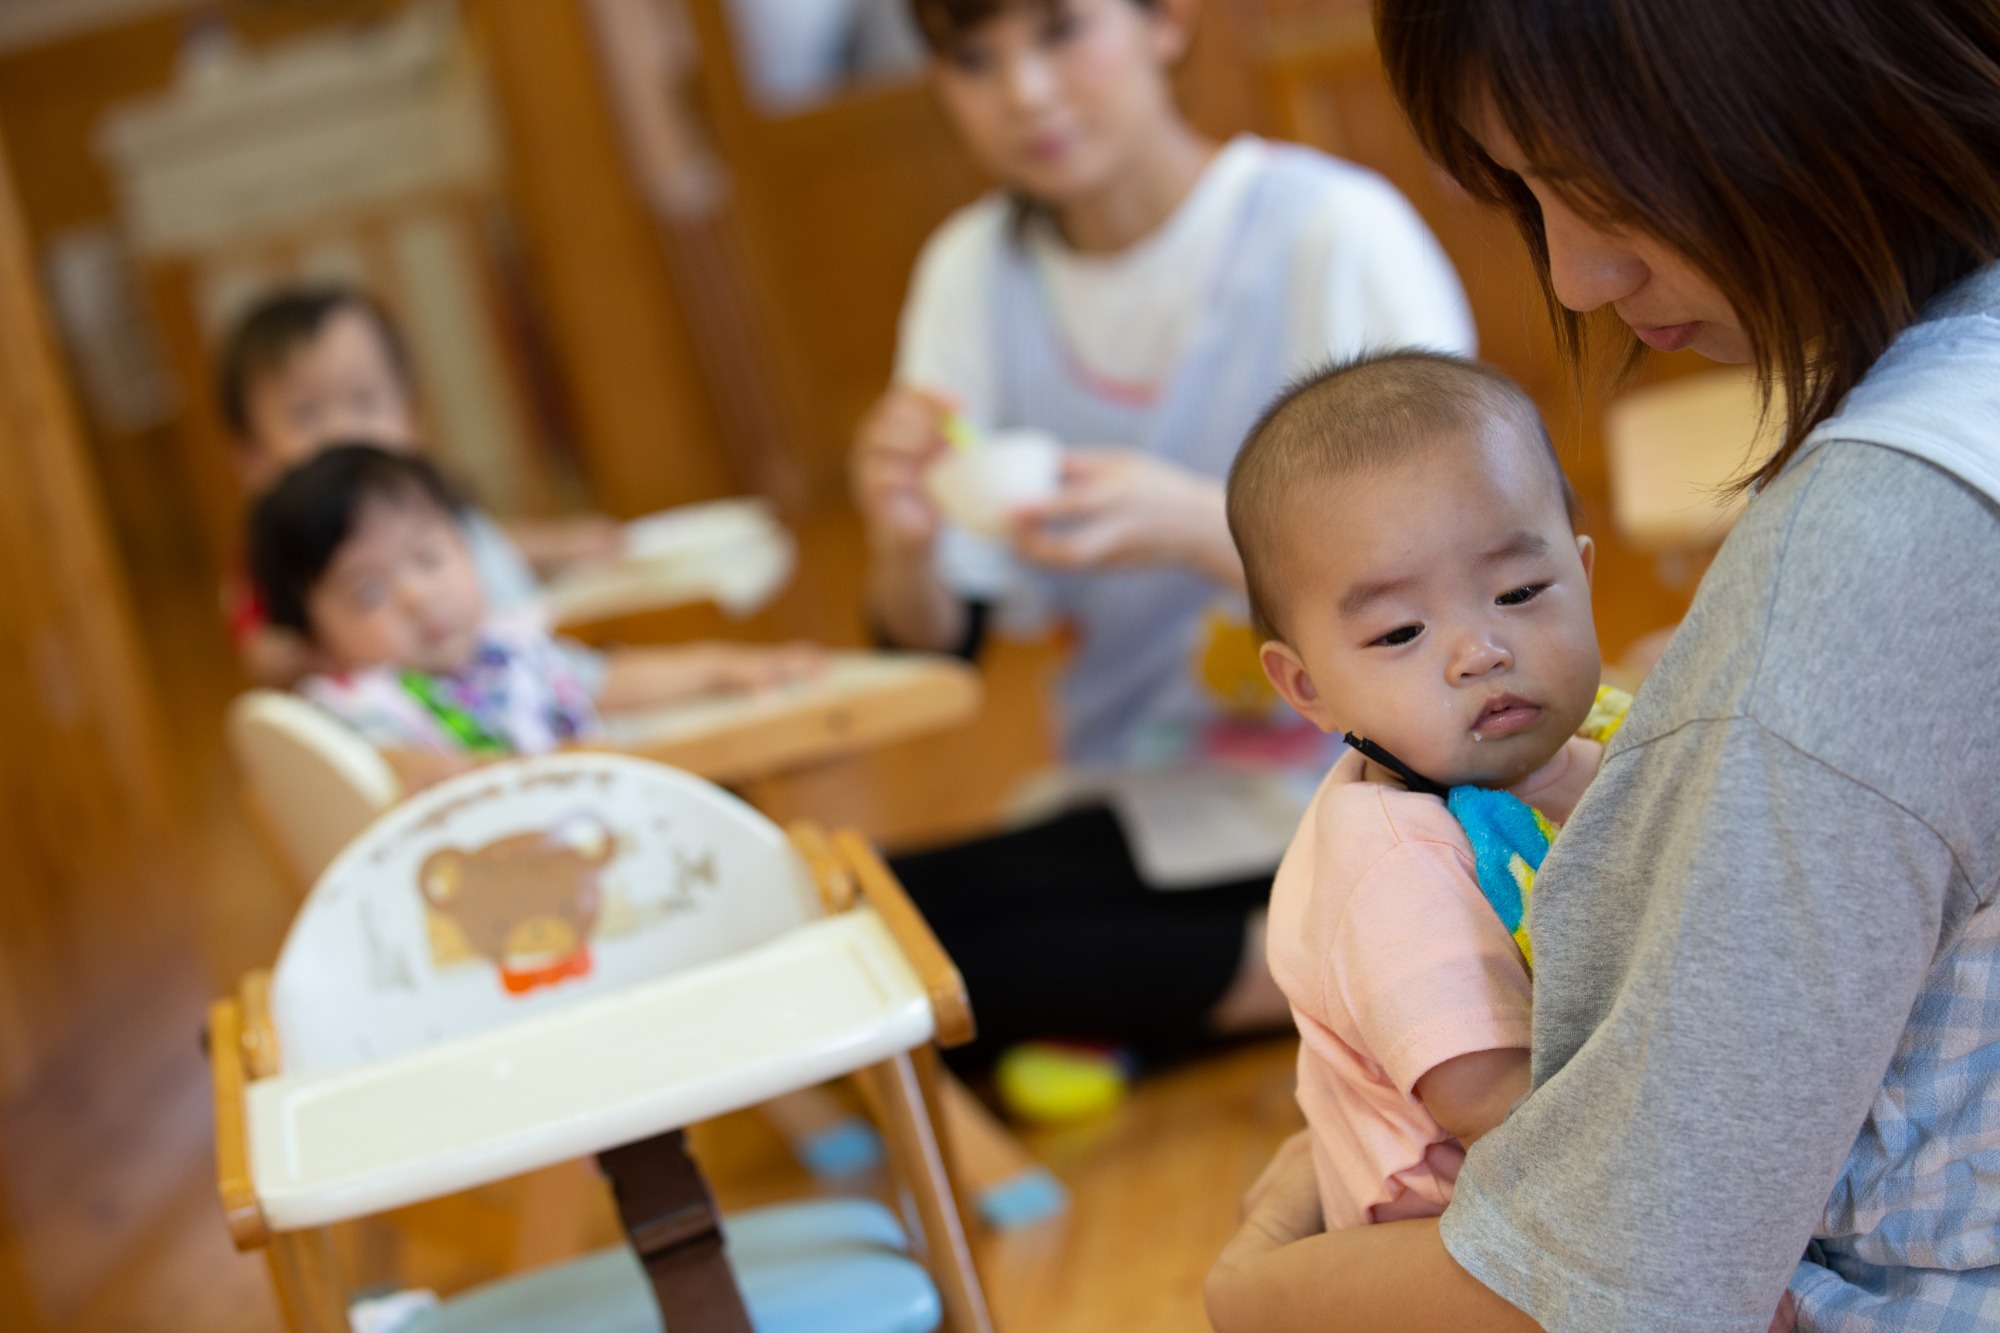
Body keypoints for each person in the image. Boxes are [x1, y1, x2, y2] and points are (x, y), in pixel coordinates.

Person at [1205, 1, 2000, 1329]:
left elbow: (1637, 1270)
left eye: (1592, 182)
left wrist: (1258, 1292)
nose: (1573, 276)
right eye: (1526, 197)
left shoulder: (1871, 541)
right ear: (1301, 682)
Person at [856, 0, 1475, 1065]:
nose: (1025, 93)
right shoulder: (973, 271)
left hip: (1371, 776)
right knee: (871, 940)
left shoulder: (1328, 230)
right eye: (973, 58)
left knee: (907, 966)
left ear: (1166, 20)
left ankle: (1226, 984)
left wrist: (1203, 527)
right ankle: (1298, 972)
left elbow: (1449, 572)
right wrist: (903, 534)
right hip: (1141, 789)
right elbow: (929, 647)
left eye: (1059, 32)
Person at [1229, 350, 1607, 1233]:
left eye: (1519, 590)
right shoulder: (1393, 864)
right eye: (1400, 630)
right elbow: (1491, 1100)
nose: (1479, 649)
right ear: (1305, 687)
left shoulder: (1607, 737)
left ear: (1584, 574)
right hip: (1462, 1231)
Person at [247, 445, 818, 788]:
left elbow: (608, 681)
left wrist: (720, 667)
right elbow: (370, 767)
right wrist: (431, 772)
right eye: (369, 593)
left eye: (429, 557)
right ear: (314, 641)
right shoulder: (357, 705)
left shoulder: (510, 654)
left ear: (470, 549)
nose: (419, 596)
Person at [218, 285, 624, 686]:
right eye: (306, 415)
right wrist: (302, 652)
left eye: (364, 400)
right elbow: (264, 642)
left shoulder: (416, 499)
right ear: (253, 457)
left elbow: (482, 542)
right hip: (435, 704)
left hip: (526, 663)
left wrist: (561, 546)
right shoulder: (290, 549)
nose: (344, 430)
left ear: (410, 415)